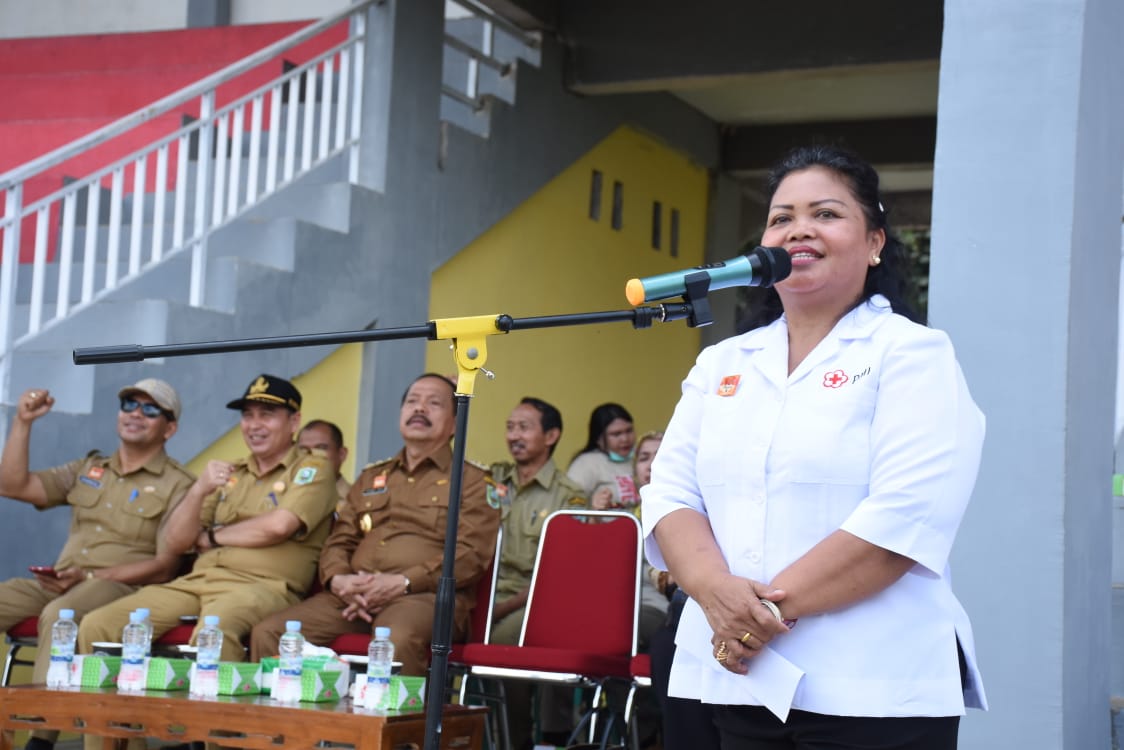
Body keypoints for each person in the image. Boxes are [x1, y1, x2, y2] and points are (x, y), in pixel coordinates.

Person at [642, 144, 986, 749]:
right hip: (738, 678)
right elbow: (671, 492)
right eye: (781, 217)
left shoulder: (911, 353)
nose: (799, 228)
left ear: (875, 242)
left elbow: (905, 515)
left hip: (874, 684)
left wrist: (752, 618)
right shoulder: (723, 361)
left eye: (826, 213)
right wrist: (714, 592)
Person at [249, 373, 499, 675]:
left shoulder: (471, 481)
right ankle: (286, 724)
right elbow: (339, 539)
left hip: (424, 599)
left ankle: (395, 724)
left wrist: (403, 583)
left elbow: (470, 554)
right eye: (412, 402)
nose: (419, 409)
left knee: (396, 639)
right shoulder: (372, 477)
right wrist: (339, 579)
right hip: (355, 595)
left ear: (456, 423)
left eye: (433, 403)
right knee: (272, 634)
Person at [78, 373, 337, 663]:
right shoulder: (230, 472)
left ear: (293, 422)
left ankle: (212, 710)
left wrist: (212, 536)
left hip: (265, 587)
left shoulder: (313, 467)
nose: (254, 425)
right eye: (247, 416)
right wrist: (199, 490)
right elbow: (176, 542)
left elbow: (279, 526)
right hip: (199, 581)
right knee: (100, 624)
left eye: (267, 415)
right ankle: (104, 709)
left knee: (214, 629)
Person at [0, 380, 194, 750]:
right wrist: (22, 423)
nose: (136, 413)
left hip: (122, 589)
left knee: (61, 614)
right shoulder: (90, 468)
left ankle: (40, 739)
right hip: (62, 580)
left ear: (169, 428)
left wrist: (90, 576)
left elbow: (166, 566)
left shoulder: (179, 484)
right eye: (128, 403)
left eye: (151, 409)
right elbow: (12, 485)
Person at [488, 397, 587, 749]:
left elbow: (562, 576)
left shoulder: (569, 497)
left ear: (551, 435)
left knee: (500, 646)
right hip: (484, 598)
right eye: (510, 427)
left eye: (524, 427)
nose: (514, 435)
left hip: (534, 601)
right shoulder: (491, 478)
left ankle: (515, 742)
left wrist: (501, 608)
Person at [567, 403, 637, 510]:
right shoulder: (587, 463)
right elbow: (571, 504)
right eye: (616, 434)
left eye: (629, 431)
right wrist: (593, 507)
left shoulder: (642, 457)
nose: (625, 439)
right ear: (599, 438)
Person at [298, 419, 350, 508]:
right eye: (304, 450)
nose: (312, 456)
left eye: (321, 448)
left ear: (342, 454)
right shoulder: (283, 495)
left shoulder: (357, 500)